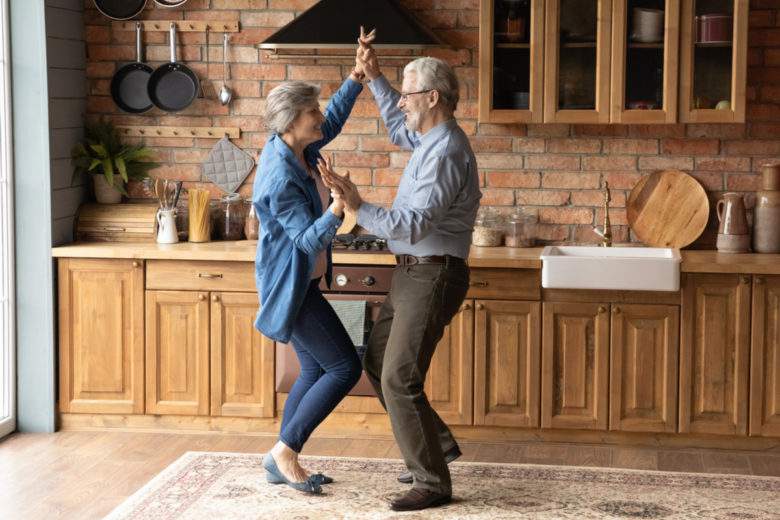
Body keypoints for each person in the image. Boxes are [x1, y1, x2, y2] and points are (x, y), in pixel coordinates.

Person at [320, 32, 482, 511]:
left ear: (432, 98)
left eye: (410, 96)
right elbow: (397, 124)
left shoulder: (447, 150)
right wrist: (375, 78)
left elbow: (412, 226)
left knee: (398, 378)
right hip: (414, 272)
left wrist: (356, 203)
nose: (403, 104)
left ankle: (431, 481)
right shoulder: (429, 136)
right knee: (376, 362)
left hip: (433, 272)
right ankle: (438, 446)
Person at [252, 30, 376, 495]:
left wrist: (356, 77)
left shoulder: (299, 148)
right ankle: (285, 452)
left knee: (314, 370)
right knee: (344, 368)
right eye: (312, 113)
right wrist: (338, 208)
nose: (320, 118)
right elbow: (305, 240)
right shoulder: (279, 176)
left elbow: (334, 121)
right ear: (290, 121)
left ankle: (280, 456)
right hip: (292, 285)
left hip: (305, 281)